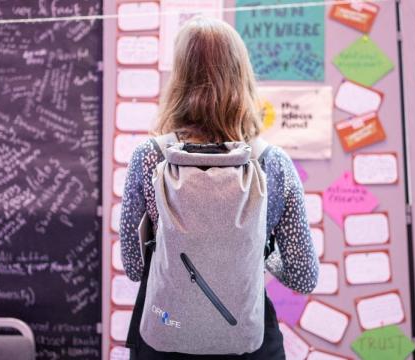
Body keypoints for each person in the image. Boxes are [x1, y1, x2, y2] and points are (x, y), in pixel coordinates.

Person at [119, 17, 319, 359]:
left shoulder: (149, 158)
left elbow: (135, 267)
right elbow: (304, 277)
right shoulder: (272, 163)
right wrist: (254, 248)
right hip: (247, 340)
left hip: (167, 336)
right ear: (241, 77)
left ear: (179, 79)